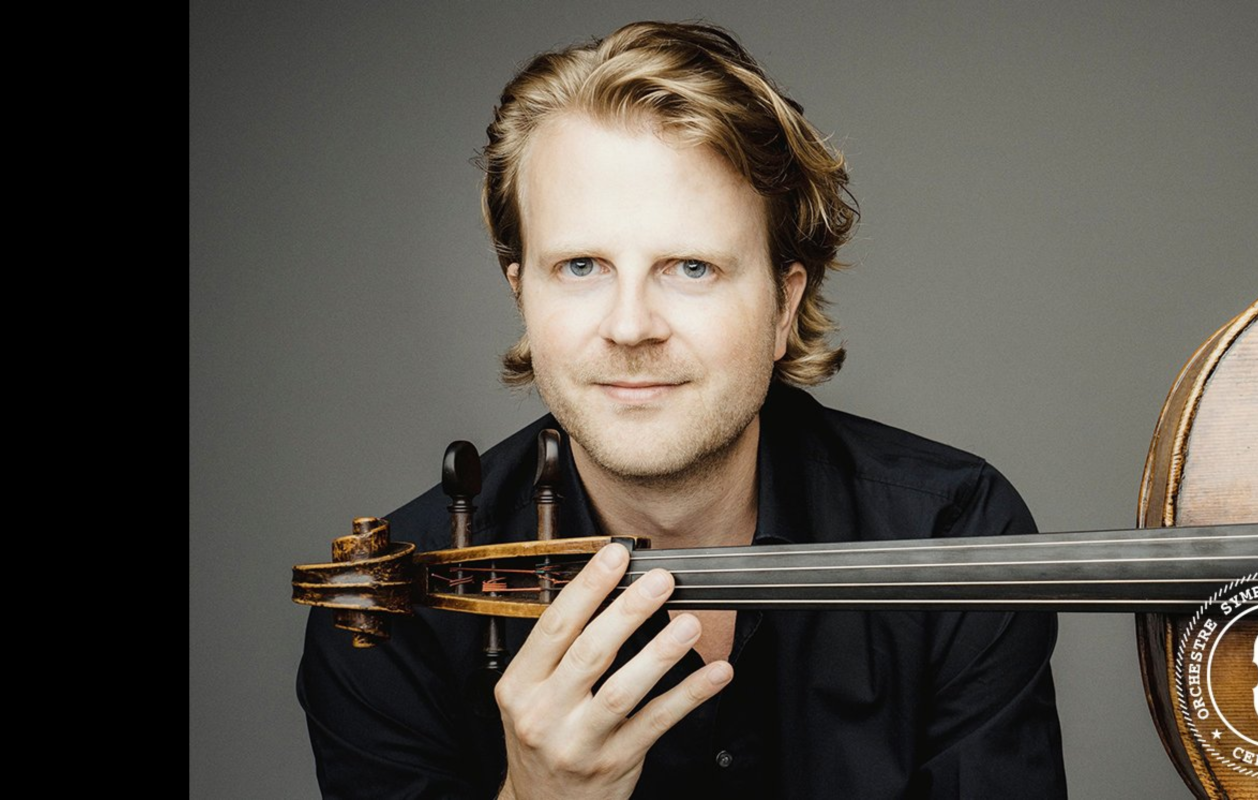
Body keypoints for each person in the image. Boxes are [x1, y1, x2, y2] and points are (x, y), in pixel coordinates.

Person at [298, 21, 1068, 799]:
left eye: (692, 267)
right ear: (522, 295)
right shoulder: (386, 617)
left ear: (783, 306)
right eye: (581, 266)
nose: (631, 326)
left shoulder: (955, 535)